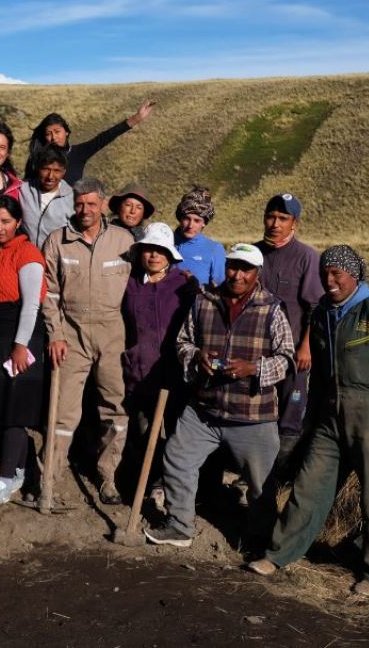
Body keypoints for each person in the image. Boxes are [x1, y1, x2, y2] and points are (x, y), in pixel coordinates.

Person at [248, 245, 369, 597]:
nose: (329, 280)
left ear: (355, 274)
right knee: (308, 487)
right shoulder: (322, 313)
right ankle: (277, 555)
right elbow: (319, 365)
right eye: (324, 273)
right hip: (330, 415)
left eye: (337, 273)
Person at [145, 244, 295, 546]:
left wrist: (253, 368)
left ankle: (260, 539)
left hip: (252, 414)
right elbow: (183, 342)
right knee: (176, 458)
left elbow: (286, 358)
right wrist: (197, 355)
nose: (237, 275)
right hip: (204, 409)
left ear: (257, 273)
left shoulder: (271, 308)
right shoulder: (205, 301)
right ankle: (180, 525)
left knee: (260, 483)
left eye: (245, 269)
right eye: (233, 267)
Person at [42, 178, 134, 505]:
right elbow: (49, 294)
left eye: (91, 204)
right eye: (80, 203)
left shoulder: (123, 240)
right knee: (63, 410)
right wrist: (54, 334)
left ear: (104, 205)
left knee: (116, 407)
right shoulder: (58, 241)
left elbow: (138, 288)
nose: (85, 210)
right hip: (71, 333)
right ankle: (49, 480)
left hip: (113, 333)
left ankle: (108, 475)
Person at [0, 197, 47, 508]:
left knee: (13, 408)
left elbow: (31, 304)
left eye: (5, 221)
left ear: (17, 222)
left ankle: (6, 478)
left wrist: (20, 345)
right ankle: (15, 467)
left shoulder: (27, 253)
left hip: (18, 335)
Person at [120, 222, 193, 503]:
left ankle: (166, 485)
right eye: (148, 250)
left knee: (174, 434)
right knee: (142, 432)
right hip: (139, 371)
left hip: (173, 374)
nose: (153, 256)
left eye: (160, 250)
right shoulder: (130, 284)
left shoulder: (184, 286)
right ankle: (144, 482)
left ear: (170, 255)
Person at [254, 193, 323, 474]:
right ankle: (253, 473)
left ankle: (280, 476)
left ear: (294, 223)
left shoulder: (306, 256)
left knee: (290, 415)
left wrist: (305, 346)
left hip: (293, 351)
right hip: (257, 349)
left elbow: (315, 307)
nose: (275, 223)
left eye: (283, 218)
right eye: (271, 216)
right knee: (256, 411)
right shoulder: (253, 253)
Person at [23, 101, 156, 184]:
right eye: (48, 134)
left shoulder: (79, 153)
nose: (53, 137)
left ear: (67, 132)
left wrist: (137, 118)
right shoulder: (38, 158)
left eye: (57, 132)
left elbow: (106, 136)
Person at [17, 146, 74, 249]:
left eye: (56, 171)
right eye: (46, 169)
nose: (50, 176)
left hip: (55, 261)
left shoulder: (72, 199)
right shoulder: (23, 189)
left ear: (64, 172)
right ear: (38, 168)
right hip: (27, 259)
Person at [173, 186, 225, 290]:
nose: (190, 225)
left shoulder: (214, 249)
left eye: (197, 220)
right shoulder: (166, 243)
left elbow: (220, 288)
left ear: (204, 223)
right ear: (180, 218)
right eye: (187, 219)